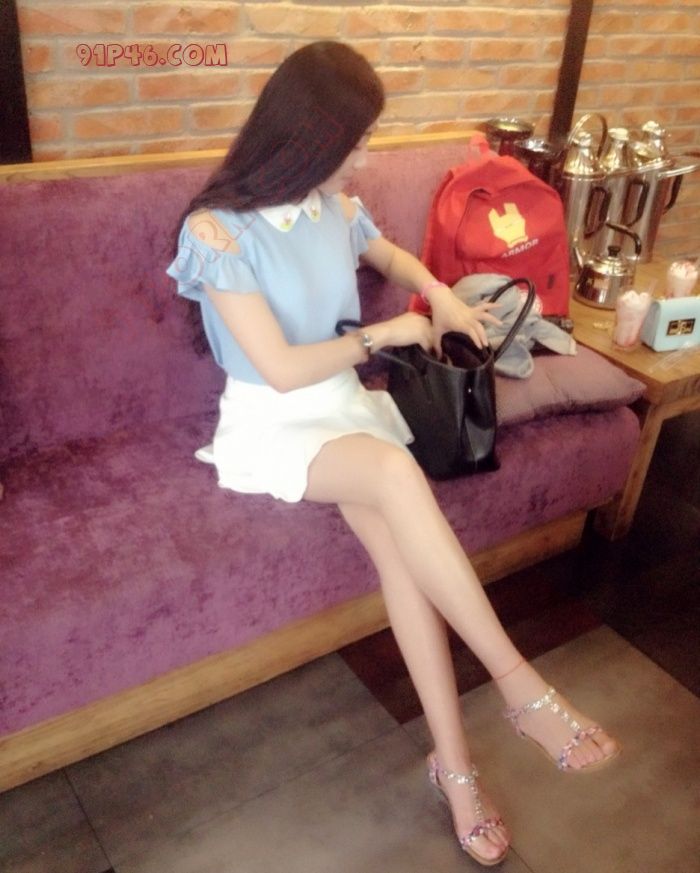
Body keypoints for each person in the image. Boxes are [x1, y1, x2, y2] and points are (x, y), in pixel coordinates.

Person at [167, 40, 620, 867]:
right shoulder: (217, 232)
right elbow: (279, 368)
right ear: (307, 137)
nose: (365, 158)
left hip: (341, 403)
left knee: (403, 561)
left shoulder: (333, 205)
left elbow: (392, 256)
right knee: (389, 468)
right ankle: (519, 685)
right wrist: (392, 332)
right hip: (273, 417)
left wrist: (439, 293)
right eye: (357, 140)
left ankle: (456, 771)